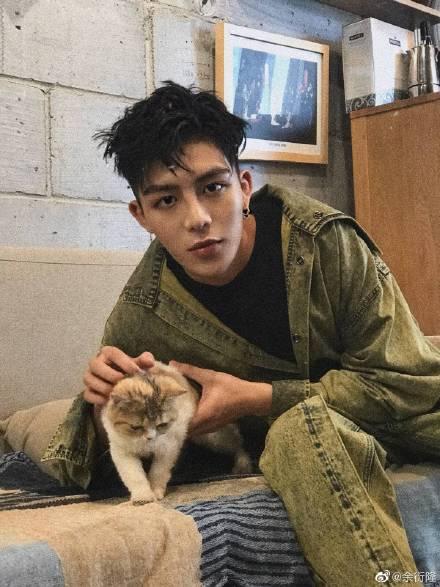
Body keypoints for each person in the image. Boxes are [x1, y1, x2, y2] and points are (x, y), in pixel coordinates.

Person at [43, 81, 440, 585]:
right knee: (299, 431)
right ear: (141, 216)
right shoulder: (142, 313)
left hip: (410, 421)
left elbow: (409, 385)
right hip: (312, 447)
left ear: (244, 185)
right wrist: (102, 404)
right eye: (166, 200)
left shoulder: (325, 244)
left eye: (213, 188)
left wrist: (257, 398)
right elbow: (87, 463)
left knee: (299, 422)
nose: (198, 219)